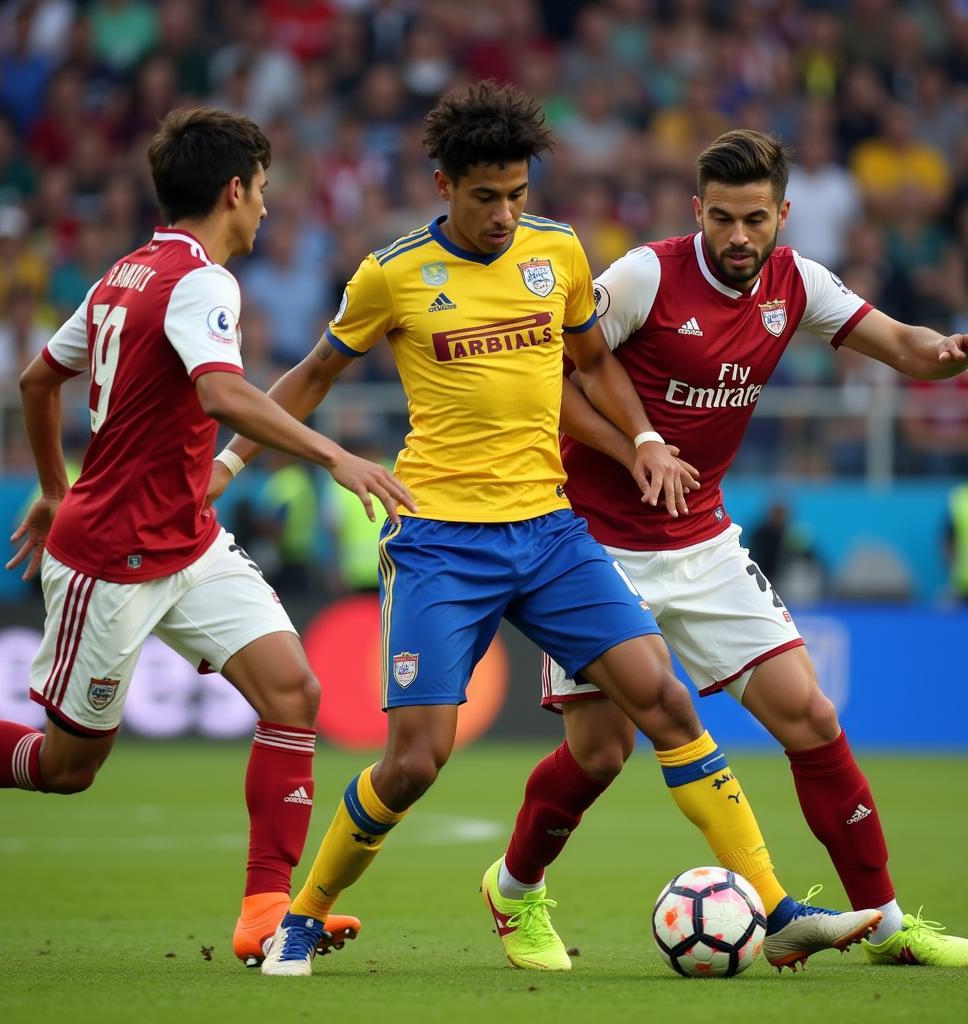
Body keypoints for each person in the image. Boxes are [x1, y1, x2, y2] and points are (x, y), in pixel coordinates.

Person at [208, 83, 879, 978]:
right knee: (415, 762)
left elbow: (596, 362)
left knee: (668, 704)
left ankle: (774, 903)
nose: (505, 213)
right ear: (445, 185)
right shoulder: (392, 273)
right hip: (440, 539)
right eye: (486, 196)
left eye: (518, 194)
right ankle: (304, 914)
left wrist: (641, 437)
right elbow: (312, 376)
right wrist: (226, 465)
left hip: (554, 531)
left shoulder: (557, 253)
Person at [0, 107, 416, 969]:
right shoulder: (204, 282)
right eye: (264, 190)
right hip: (111, 558)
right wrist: (332, 456)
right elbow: (221, 395)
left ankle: (264, 913)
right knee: (66, 768)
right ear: (234, 190)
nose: (267, 208)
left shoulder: (127, 271)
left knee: (293, 694)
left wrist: (57, 488)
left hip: (187, 542)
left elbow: (36, 379)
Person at [496, 129, 968, 969]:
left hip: (703, 541)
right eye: (722, 219)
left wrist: (950, 355)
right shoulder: (644, 276)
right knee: (600, 754)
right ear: (697, 213)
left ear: (783, 213)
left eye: (755, 218)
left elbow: (902, 345)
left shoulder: (798, 283)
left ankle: (887, 924)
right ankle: (515, 890)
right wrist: (637, 447)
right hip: (595, 545)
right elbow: (549, 383)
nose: (739, 236)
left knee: (812, 717)